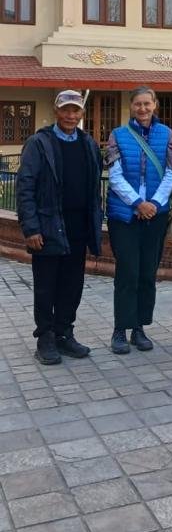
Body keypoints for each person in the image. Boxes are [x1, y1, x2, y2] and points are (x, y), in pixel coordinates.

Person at [16, 89, 102, 365]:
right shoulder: (39, 143)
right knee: (46, 286)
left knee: (72, 284)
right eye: (65, 109)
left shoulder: (88, 143)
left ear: (81, 113)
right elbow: (25, 187)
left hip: (78, 227)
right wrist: (31, 228)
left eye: (75, 110)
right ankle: (45, 337)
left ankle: (65, 333)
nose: (70, 115)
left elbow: (93, 186)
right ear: (56, 110)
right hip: (48, 226)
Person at [106, 86, 172, 354]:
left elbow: (171, 173)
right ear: (131, 107)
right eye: (138, 104)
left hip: (154, 216)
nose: (143, 108)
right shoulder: (118, 135)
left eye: (147, 103)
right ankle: (120, 329)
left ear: (155, 105)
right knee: (127, 272)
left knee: (148, 273)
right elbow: (115, 176)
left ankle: (139, 328)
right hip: (125, 216)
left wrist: (154, 205)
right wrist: (138, 203)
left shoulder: (167, 135)